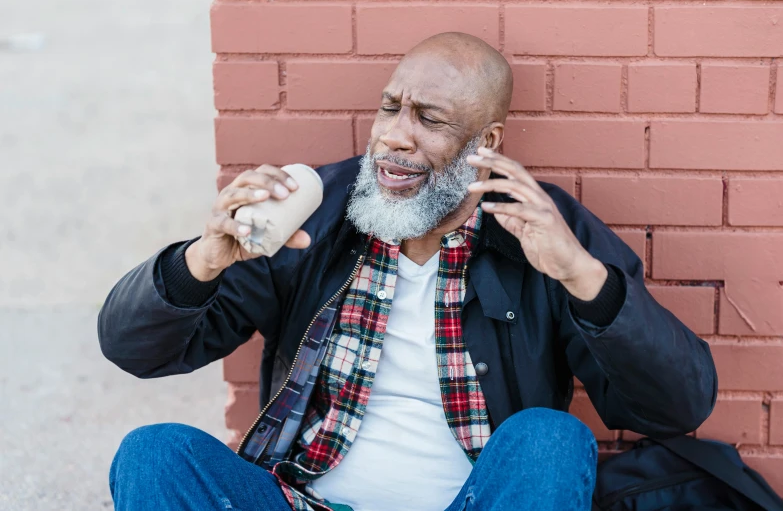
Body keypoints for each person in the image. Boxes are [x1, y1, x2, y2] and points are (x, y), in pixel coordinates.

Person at [99, 32, 717, 511]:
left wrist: (583, 276)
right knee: (154, 455)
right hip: (304, 499)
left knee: (550, 440)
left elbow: (674, 407)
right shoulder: (316, 216)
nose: (395, 137)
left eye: (429, 118)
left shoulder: (540, 229)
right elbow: (134, 349)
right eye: (390, 109)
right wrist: (203, 260)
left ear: (487, 139)